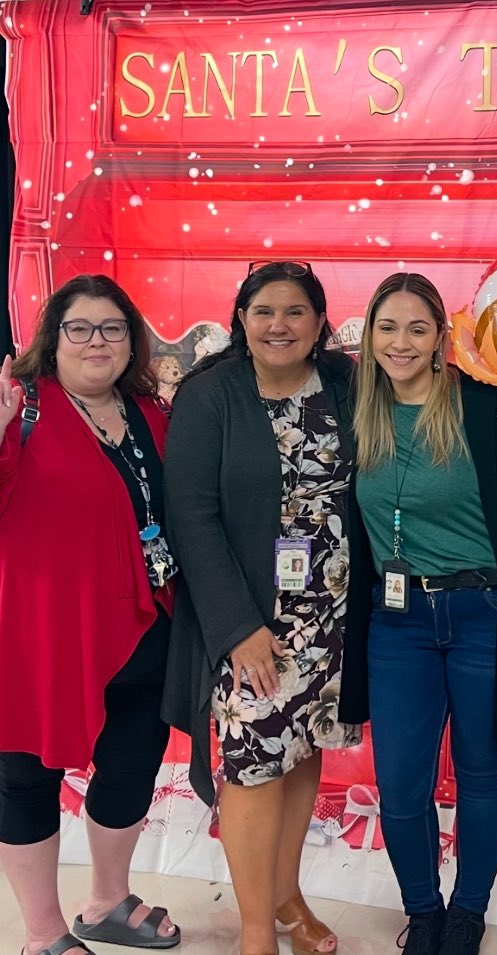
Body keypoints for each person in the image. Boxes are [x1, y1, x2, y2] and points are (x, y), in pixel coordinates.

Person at [339, 272, 497, 955]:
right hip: (396, 622)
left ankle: (468, 911)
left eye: (417, 328)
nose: (401, 342)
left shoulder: (481, 404)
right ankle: (423, 910)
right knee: (401, 782)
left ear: (441, 337)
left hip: (483, 614)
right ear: (369, 335)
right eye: (388, 327)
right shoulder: (355, 410)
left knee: (482, 771)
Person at [162, 261, 358, 955]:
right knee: (251, 765)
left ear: (318, 322)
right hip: (251, 620)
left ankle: (286, 892)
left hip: (330, 613)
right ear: (241, 319)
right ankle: (254, 930)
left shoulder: (342, 384)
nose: (279, 324)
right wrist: (238, 628)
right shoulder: (211, 394)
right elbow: (189, 514)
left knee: (301, 751)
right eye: (264, 310)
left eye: (295, 311)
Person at [0, 275, 180, 955]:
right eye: (80, 327)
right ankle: (43, 934)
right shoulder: (22, 408)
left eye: (112, 327)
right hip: (41, 632)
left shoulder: (149, 411)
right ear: (54, 338)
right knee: (26, 775)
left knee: (133, 761)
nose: (96, 340)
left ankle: (107, 899)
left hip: (147, 622)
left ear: (131, 340)